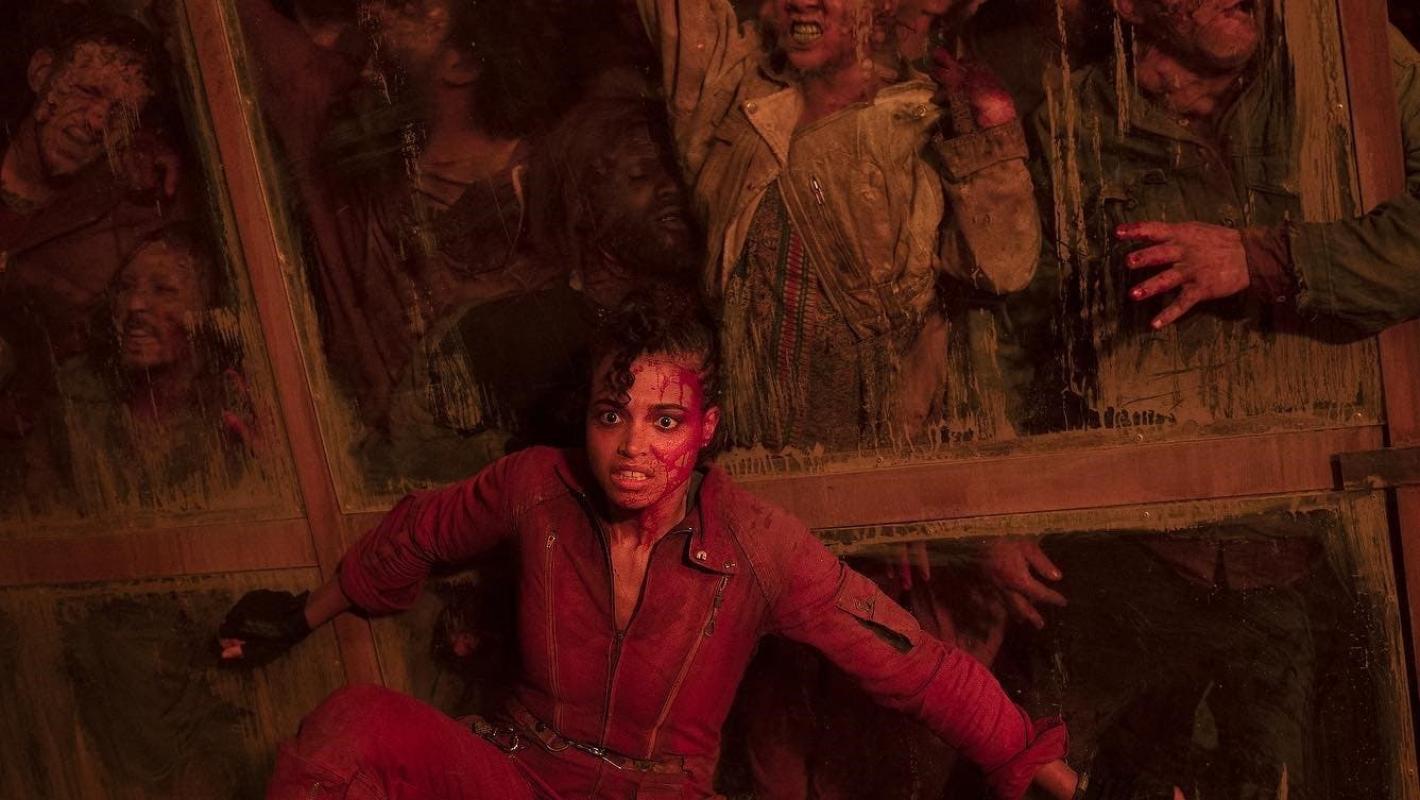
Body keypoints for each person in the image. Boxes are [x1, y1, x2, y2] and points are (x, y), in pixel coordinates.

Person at [218, 290, 1077, 800]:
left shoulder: (758, 547)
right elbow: (418, 532)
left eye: (664, 421)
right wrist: (301, 615)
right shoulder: (534, 488)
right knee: (351, 722)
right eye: (612, 415)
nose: (632, 447)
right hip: (521, 774)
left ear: (705, 428)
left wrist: (1051, 775)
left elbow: (918, 667)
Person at [984, 0, 1420, 794]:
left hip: (1309, 545)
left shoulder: (1344, 55)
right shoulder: (1078, 118)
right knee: (1030, 767)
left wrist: (1262, 259)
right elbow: (1014, 323)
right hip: (1125, 551)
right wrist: (997, 508)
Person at [637, 0, 1040, 450]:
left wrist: (994, 123)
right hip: (754, 458)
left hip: (890, 456)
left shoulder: (926, 117)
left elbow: (1003, 269)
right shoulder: (732, 98)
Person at [233, 0, 563, 424]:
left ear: (462, 63)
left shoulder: (544, 201)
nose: (376, 14)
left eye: (409, 9)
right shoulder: (353, 147)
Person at [368, 94, 701, 485]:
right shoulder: (489, 335)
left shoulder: (707, 324)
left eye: (678, 174)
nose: (672, 189)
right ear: (583, 203)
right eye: (642, 174)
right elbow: (409, 463)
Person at [0, 9, 177, 440]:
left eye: (120, 113)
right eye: (87, 91)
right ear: (42, 74)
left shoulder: (121, 224)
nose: (97, 122)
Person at [42, 225, 258, 513]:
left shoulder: (238, 410)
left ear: (209, 312)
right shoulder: (74, 407)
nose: (134, 304)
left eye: (163, 290)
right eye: (125, 287)